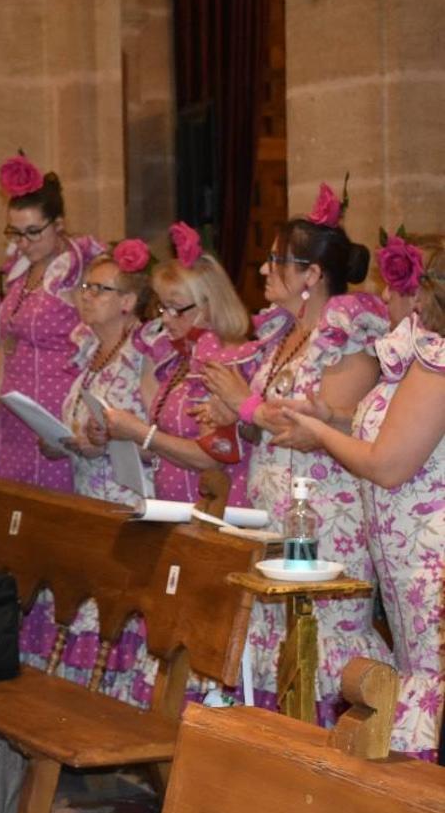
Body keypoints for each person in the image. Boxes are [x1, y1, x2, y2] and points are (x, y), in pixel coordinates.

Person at [202, 185, 391, 726]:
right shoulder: (286, 334)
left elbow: (325, 422)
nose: (263, 269)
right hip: (276, 511)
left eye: (276, 260)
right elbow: (276, 424)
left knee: (321, 637)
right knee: (271, 632)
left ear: (312, 275)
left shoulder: (347, 333)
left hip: (328, 516)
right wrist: (233, 416)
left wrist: (246, 405)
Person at [275, 241, 445, 760]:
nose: (387, 299)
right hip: (403, 550)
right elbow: (391, 431)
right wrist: (328, 417)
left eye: (395, 287)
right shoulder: (423, 354)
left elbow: (388, 465)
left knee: (429, 670)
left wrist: (316, 432)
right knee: (417, 663)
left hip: (427, 553)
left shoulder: (438, 360)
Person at [21, 243, 157, 702]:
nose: (85, 296)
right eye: (83, 286)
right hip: (91, 502)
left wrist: (109, 440)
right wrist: (60, 443)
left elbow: (160, 432)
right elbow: (85, 432)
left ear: (128, 301)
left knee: (116, 611)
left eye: (99, 289)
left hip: (129, 505)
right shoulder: (91, 355)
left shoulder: (142, 354)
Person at [103, 222, 256, 506]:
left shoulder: (226, 361)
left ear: (209, 304)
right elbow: (165, 445)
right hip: (178, 509)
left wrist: (139, 432)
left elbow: (211, 456)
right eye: (162, 307)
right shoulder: (182, 358)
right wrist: (120, 435)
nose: (166, 318)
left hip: (214, 512)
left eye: (176, 308)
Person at [0, 154, 102, 490]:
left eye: (33, 232)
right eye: (15, 234)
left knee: (54, 511)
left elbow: (100, 344)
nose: (24, 243)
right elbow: (7, 344)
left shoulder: (76, 272)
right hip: (15, 414)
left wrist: (83, 417)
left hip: (55, 412)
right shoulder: (21, 272)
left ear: (58, 224)